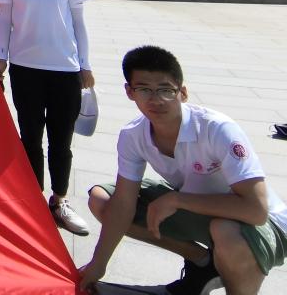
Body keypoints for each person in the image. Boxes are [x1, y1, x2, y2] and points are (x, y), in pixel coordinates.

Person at [79, 46, 287, 295]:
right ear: (129, 92)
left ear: (183, 93)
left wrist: (178, 200)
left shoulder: (217, 129)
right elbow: (124, 203)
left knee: (225, 231)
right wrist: (98, 264)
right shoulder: (133, 135)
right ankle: (203, 262)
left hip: (265, 224)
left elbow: (256, 210)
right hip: (204, 212)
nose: (156, 100)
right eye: (144, 89)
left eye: (166, 90)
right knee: (103, 200)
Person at [0, 0, 94, 237]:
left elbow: (78, 23)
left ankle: (60, 200)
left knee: (61, 141)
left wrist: (85, 64)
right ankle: (33, 199)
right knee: (30, 138)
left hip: (65, 70)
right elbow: (4, 21)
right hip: (26, 71)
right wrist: (3, 58)